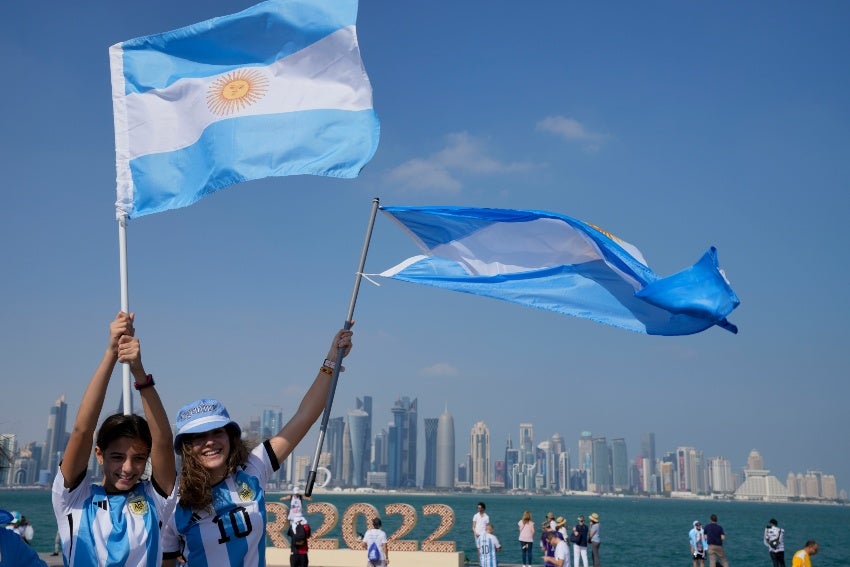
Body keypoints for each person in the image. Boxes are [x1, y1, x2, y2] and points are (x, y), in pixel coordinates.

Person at [164, 327, 353, 567]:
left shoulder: (253, 467)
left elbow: (304, 416)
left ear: (230, 436)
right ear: (186, 447)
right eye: (199, 437)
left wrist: (331, 360)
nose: (210, 442)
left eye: (217, 432)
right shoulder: (174, 500)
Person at [52, 312, 176, 567]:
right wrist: (111, 352)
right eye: (117, 457)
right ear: (99, 454)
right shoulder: (73, 500)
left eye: (139, 458)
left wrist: (140, 373)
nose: (128, 468)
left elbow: (163, 440)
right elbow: (81, 431)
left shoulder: (155, 500)